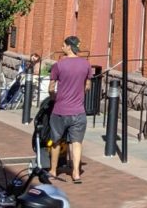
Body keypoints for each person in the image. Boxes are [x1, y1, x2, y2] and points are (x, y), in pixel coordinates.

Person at [48, 36, 91, 184]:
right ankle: (76, 172)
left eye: (63, 44)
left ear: (69, 47)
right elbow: (88, 86)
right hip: (78, 111)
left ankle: (53, 170)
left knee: (56, 141)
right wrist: (78, 95)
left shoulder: (58, 65)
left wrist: (54, 97)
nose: (62, 46)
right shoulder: (86, 65)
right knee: (76, 142)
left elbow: (51, 88)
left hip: (60, 110)